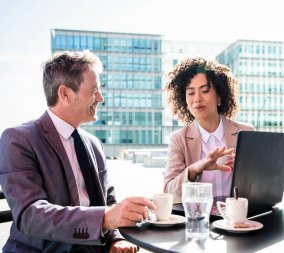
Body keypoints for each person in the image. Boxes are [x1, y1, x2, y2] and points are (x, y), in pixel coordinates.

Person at [0, 50, 156, 253]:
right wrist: (105, 218)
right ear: (65, 93)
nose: (100, 98)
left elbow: (107, 200)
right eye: (94, 90)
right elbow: (30, 215)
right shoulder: (19, 140)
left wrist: (115, 238)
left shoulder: (93, 144)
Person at [164, 57, 254, 202]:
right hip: (198, 218)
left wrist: (245, 170)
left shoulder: (246, 133)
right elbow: (168, 193)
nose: (197, 99)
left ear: (219, 97)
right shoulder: (178, 139)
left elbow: (264, 185)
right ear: (184, 101)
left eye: (205, 91)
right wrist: (193, 170)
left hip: (237, 219)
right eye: (191, 93)